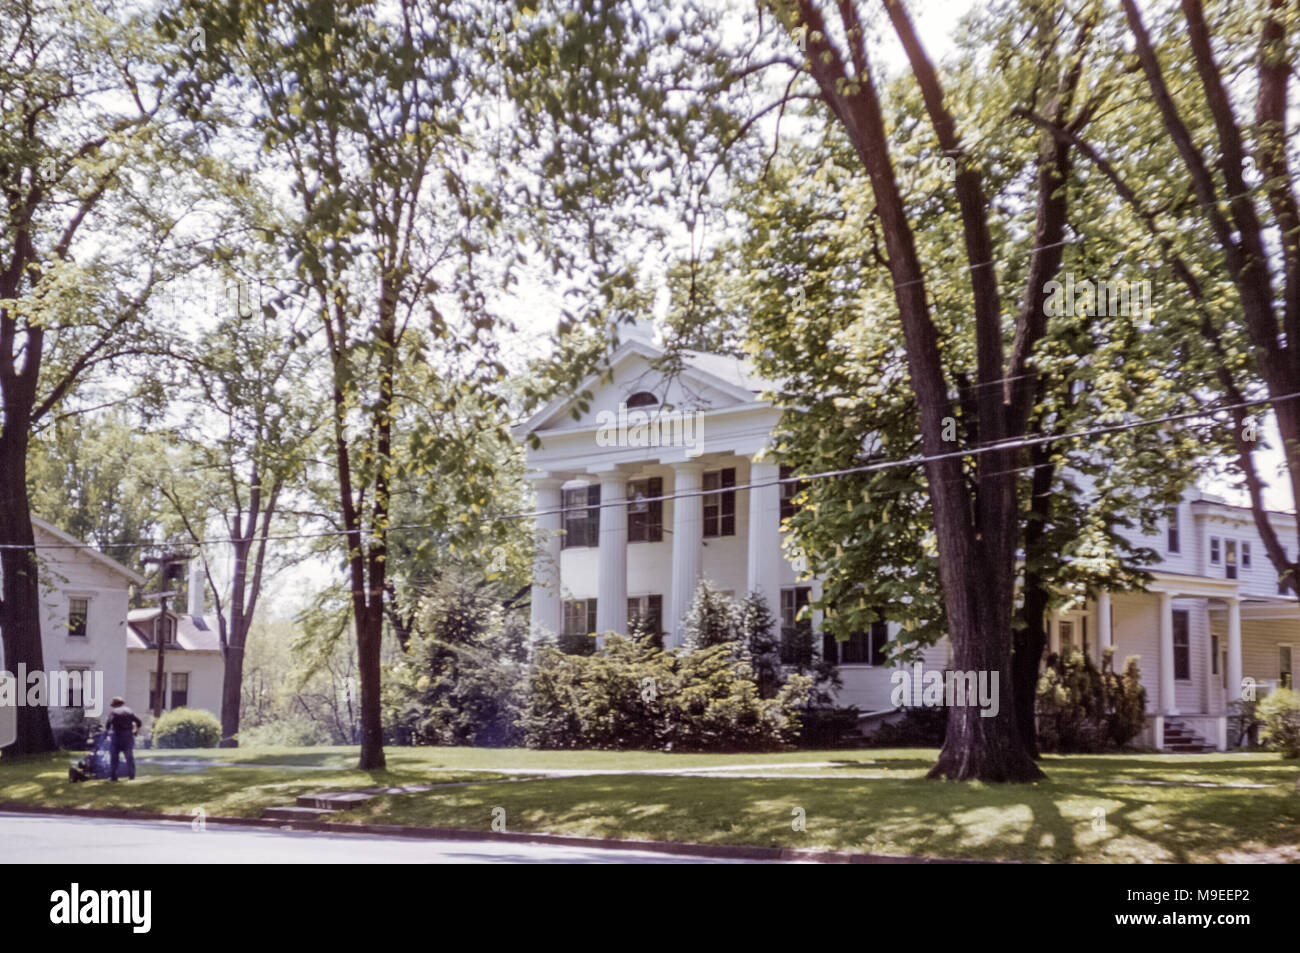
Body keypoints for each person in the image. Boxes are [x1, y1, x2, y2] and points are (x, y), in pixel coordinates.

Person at [105, 697, 142, 782]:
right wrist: (135, 731)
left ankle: (114, 777)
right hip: (128, 736)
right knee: (129, 757)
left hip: (116, 736)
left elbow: (108, 724)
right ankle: (131, 776)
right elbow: (139, 722)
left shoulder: (113, 712)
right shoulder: (129, 711)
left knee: (114, 758)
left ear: (115, 705)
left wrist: (107, 733)